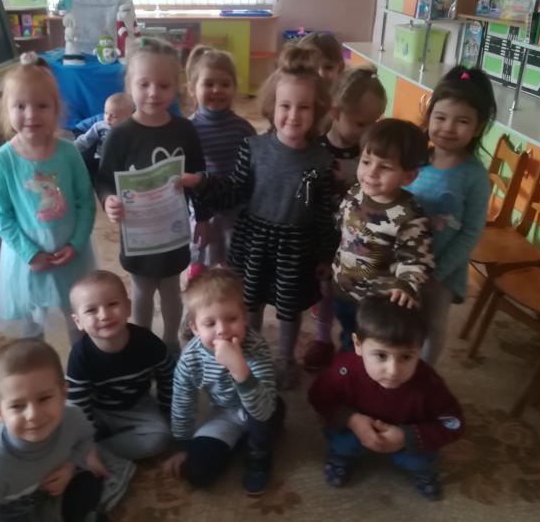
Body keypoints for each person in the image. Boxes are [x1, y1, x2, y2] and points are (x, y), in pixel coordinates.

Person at [182, 46, 340, 390]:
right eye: (285, 106)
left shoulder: (319, 161)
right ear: (272, 106)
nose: (293, 115)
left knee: (289, 307)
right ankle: (248, 351)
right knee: (249, 301)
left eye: (303, 107)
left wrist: (326, 254)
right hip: (253, 239)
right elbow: (235, 191)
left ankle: (284, 358)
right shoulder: (252, 148)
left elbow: (317, 210)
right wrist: (203, 182)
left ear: (317, 111)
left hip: (295, 245)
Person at [96, 37, 210, 354]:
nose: (153, 93)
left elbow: (200, 174)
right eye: (143, 84)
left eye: (163, 85)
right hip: (138, 233)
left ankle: (171, 343)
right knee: (142, 289)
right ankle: (143, 346)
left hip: (173, 230)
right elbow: (103, 179)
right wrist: (108, 200)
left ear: (176, 87)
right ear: (130, 85)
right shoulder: (119, 135)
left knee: (172, 289)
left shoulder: (185, 130)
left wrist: (202, 214)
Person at [308, 298, 464, 500]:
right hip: (356, 427)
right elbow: (318, 396)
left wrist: (408, 437)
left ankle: (424, 474)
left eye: (406, 357)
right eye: (381, 356)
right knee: (341, 441)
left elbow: (454, 422)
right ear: (358, 344)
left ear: (420, 348)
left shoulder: (429, 384)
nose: (393, 371)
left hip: (408, 430)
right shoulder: (344, 370)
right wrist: (351, 419)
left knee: (420, 459)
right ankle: (341, 459)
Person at [0, 53, 97, 342]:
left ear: (56, 109)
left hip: (71, 252)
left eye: (41, 105)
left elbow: (85, 201)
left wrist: (76, 243)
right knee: (30, 325)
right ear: (6, 111)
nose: (31, 114)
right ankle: (34, 366)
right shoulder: (3, 160)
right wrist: (29, 253)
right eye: (20, 106)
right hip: (26, 256)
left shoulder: (69, 153)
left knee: (79, 317)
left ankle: (82, 365)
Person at [0, 339, 120, 522]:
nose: (33, 415)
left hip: (49, 492)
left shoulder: (73, 418)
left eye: (44, 399)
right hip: (8, 513)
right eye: (17, 406)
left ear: (64, 393)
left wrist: (70, 465)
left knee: (90, 482)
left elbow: (85, 439)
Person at [162, 268, 284, 496]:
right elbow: (182, 402)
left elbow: (264, 409)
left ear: (244, 317)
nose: (222, 330)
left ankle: (258, 454)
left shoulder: (256, 346)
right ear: (195, 328)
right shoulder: (190, 358)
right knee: (197, 473)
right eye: (210, 323)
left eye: (231, 319)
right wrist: (183, 446)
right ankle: (239, 442)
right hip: (224, 412)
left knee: (268, 418)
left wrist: (239, 369)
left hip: (260, 408)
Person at [406, 66, 495, 366]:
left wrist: (438, 273)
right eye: (440, 117)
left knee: (432, 322)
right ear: (429, 116)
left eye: (462, 121)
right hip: (404, 259)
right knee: (400, 316)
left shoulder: (474, 177)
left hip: (443, 268)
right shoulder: (415, 158)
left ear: (478, 128)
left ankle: (425, 372)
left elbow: (470, 233)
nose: (448, 127)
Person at [304, 65, 388, 371]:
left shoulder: (369, 154)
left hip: (355, 236)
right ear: (336, 112)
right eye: (361, 123)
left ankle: (349, 342)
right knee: (323, 288)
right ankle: (322, 338)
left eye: (374, 123)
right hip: (320, 231)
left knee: (347, 293)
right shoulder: (315, 148)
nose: (368, 132)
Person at [330, 118, 435, 352]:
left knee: (369, 349)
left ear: (408, 177)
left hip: (377, 305)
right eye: (366, 161)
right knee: (348, 335)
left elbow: (417, 261)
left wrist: (406, 285)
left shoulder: (409, 215)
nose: (371, 173)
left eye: (385, 167)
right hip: (342, 290)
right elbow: (340, 226)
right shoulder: (354, 192)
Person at [66, 270, 174, 460]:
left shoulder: (148, 342)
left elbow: (169, 377)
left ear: (128, 307)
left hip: (137, 405)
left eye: (112, 304)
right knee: (63, 424)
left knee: (161, 438)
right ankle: (92, 448)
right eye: (91, 310)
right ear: (78, 321)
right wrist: (89, 433)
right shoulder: (80, 355)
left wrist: (167, 412)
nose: (104, 315)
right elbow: (78, 402)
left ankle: (96, 451)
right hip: (97, 409)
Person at [185, 45, 256, 279]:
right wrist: (201, 215)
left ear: (235, 88)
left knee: (232, 266)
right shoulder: (188, 129)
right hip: (202, 209)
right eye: (208, 83)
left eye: (225, 84)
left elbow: (253, 171)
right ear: (193, 88)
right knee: (200, 263)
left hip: (235, 210)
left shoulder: (243, 129)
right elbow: (187, 176)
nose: (217, 90)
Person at [74, 92, 134, 184]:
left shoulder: (130, 129)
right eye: (106, 113)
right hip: (101, 159)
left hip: (122, 162)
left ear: (127, 118)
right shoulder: (99, 126)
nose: (108, 118)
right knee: (87, 168)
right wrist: (73, 148)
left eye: (113, 116)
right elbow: (86, 140)